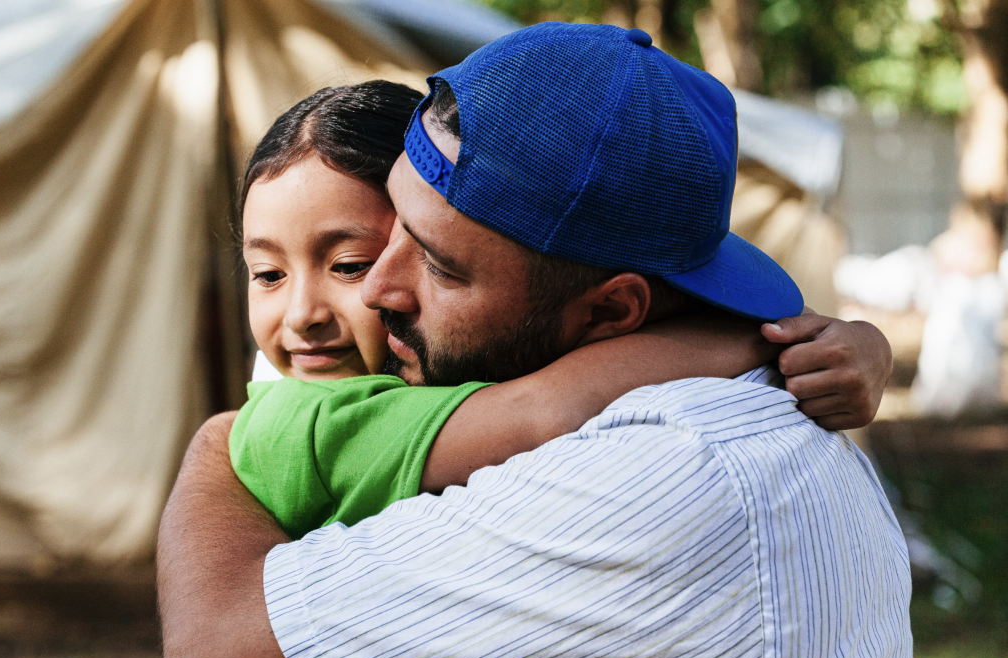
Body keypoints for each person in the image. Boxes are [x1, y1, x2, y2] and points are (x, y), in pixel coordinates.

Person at [159, 23, 909, 658]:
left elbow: (217, 650)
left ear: (614, 309)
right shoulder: (770, 397)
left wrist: (216, 446)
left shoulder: (655, 473)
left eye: (438, 264)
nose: (379, 292)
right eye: (389, 238)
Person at [232, 81, 875, 540]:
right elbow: (546, 406)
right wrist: (759, 342)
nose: (301, 315)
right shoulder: (300, 422)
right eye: (266, 274)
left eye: (351, 263)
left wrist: (859, 345)